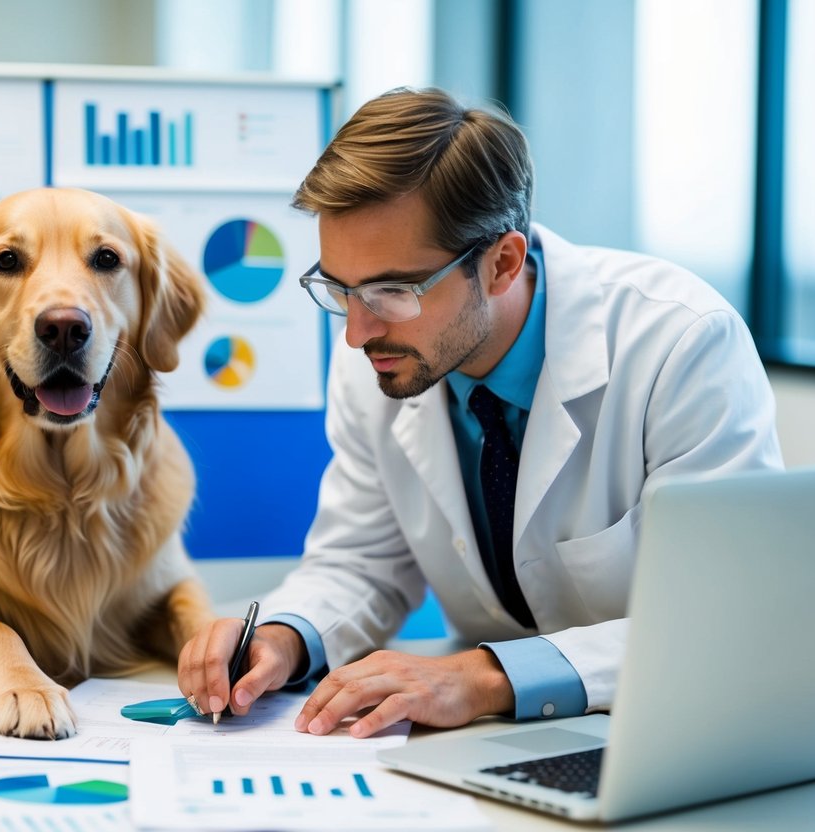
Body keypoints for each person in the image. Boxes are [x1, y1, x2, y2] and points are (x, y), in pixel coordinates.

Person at [177, 86, 783, 737]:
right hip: (487, 740)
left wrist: (484, 677)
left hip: (666, 729)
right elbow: (360, 563)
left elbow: (722, 619)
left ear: (501, 263)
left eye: (392, 290)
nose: (354, 333)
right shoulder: (378, 354)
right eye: (339, 288)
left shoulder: (679, 341)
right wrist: (283, 636)